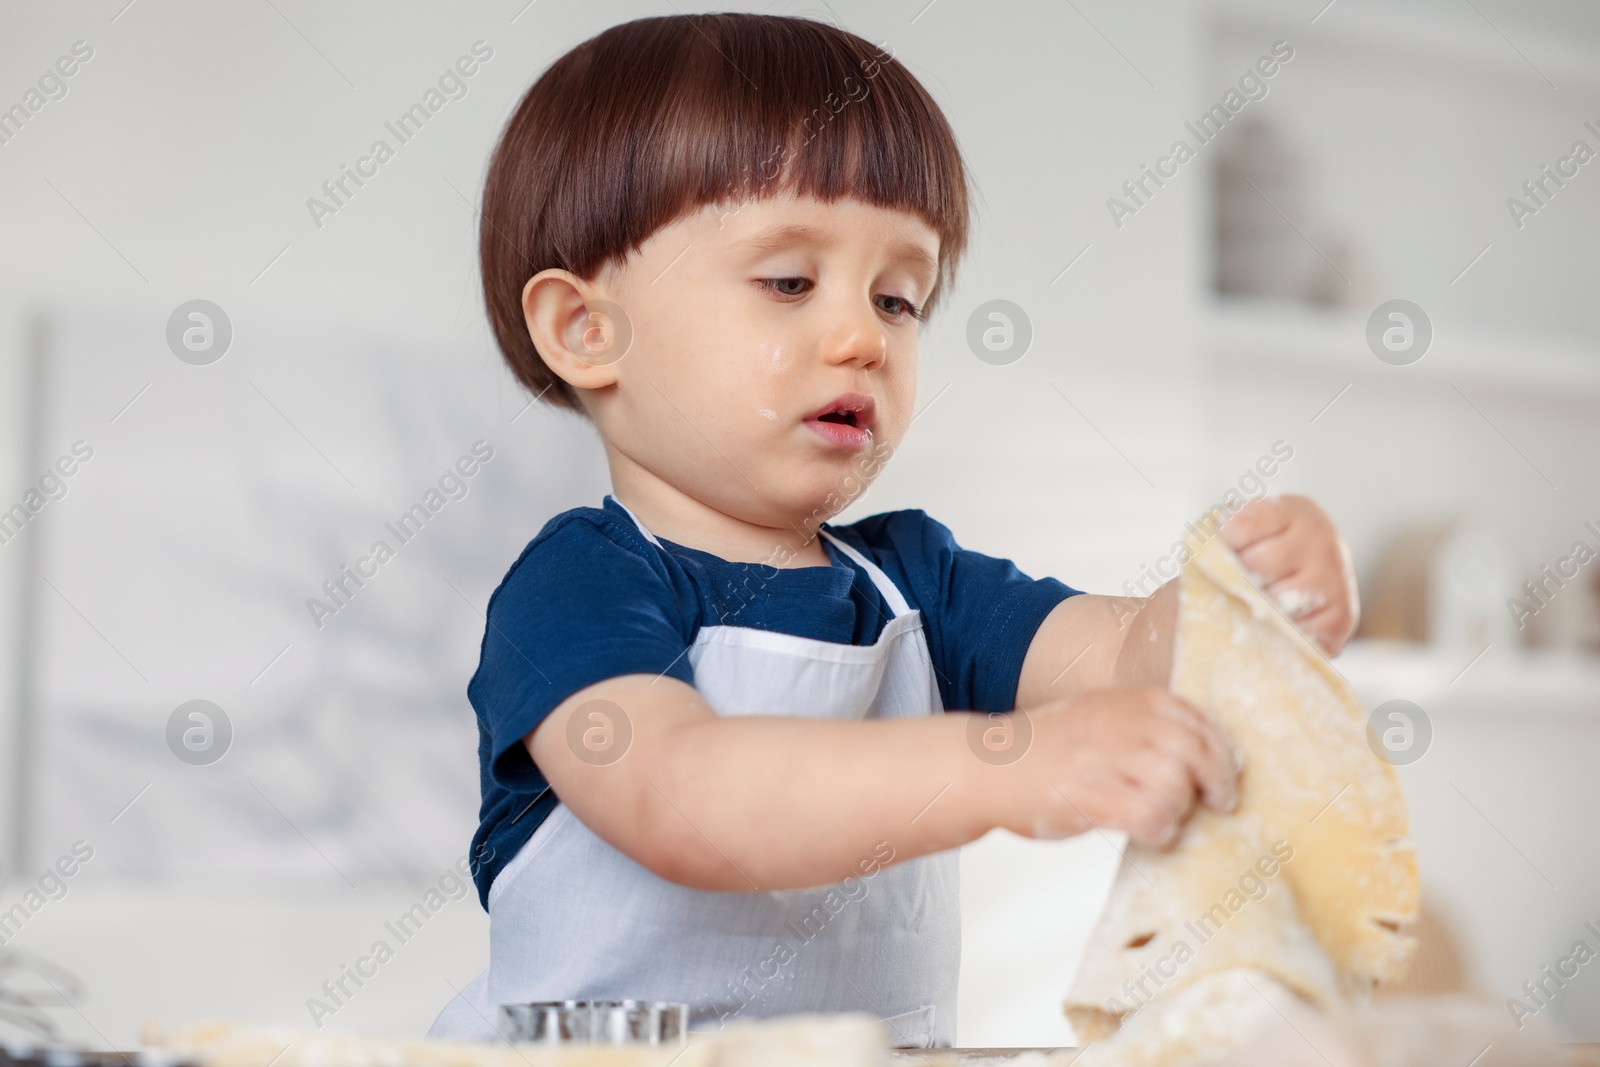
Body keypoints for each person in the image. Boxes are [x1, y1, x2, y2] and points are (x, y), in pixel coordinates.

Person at [428, 12, 1358, 1048]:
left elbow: (1134, 655)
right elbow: (685, 798)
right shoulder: (578, 584)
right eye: (788, 281)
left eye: (899, 296)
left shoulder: (920, 584)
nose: (861, 335)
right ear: (585, 330)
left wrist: (1247, 602)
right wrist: (1008, 762)